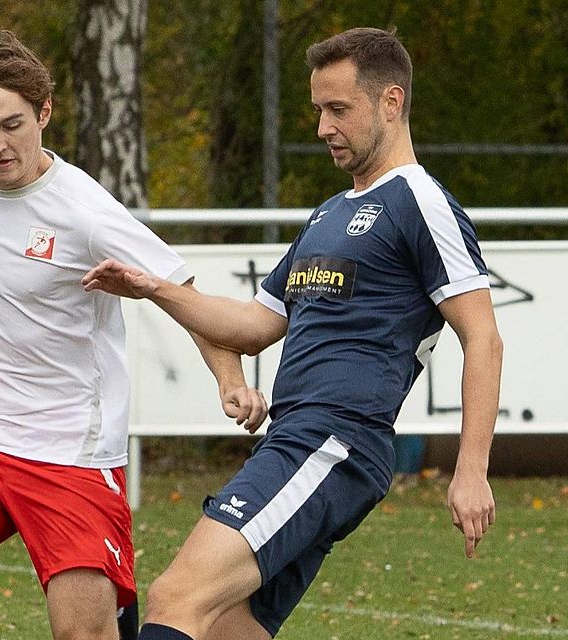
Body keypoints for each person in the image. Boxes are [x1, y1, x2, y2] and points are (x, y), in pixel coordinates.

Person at [0, 30, 267, 640]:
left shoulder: (85, 211)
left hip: (70, 453)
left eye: (10, 125)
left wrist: (229, 379)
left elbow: (182, 293)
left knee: (82, 632)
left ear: (44, 112)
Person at [82, 27, 504, 640]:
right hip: (298, 438)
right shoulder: (329, 213)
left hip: (334, 440)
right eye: (317, 110)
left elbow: (483, 338)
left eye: (339, 109)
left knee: (177, 596)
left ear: (391, 102)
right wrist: (154, 288)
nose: (323, 127)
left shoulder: (420, 201)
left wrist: (471, 469)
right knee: (227, 627)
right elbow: (254, 326)